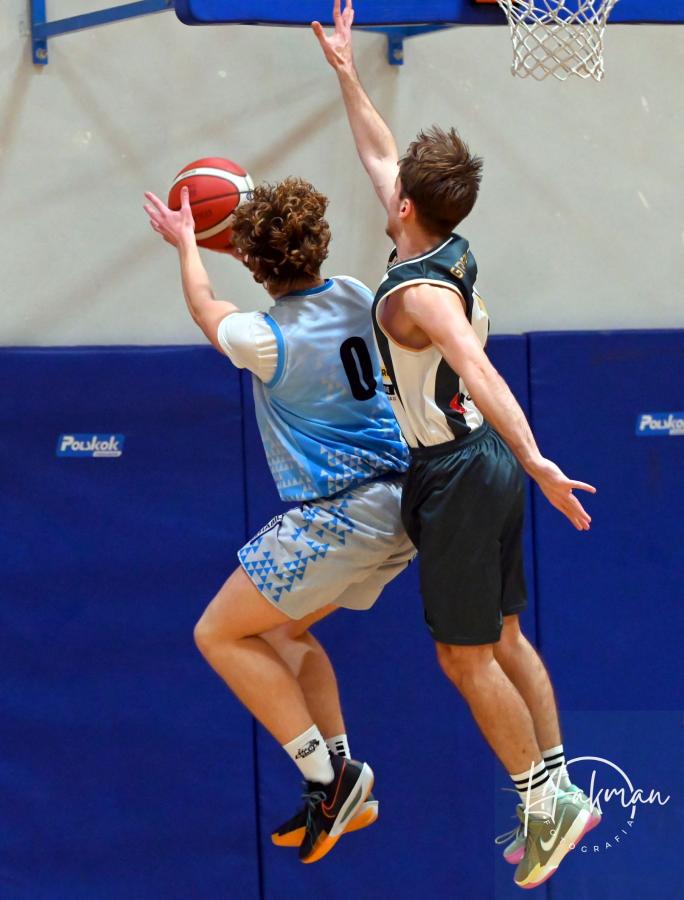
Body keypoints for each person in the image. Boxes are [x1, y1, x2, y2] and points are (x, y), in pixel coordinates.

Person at [313, 0, 601, 888]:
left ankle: (544, 803)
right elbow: (378, 152)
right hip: (480, 464)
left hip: (461, 471)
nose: (384, 180)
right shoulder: (444, 244)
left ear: (405, 206)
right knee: (506, 635)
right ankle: (559, 791)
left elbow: (478, 368)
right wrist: (347, 72)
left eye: (394, 183)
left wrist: (538, 458)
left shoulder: (421, 294)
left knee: (462, 656)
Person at [143, 176, 414, 864]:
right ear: (319, 241)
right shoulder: (355, 293)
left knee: (217, 634)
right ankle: (344, 782)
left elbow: (205, 307)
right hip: (403, 504)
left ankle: (330, 780)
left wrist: (187, 244)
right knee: (284, 631)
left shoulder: (264, 338)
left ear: (249, 259)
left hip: (342, 512)